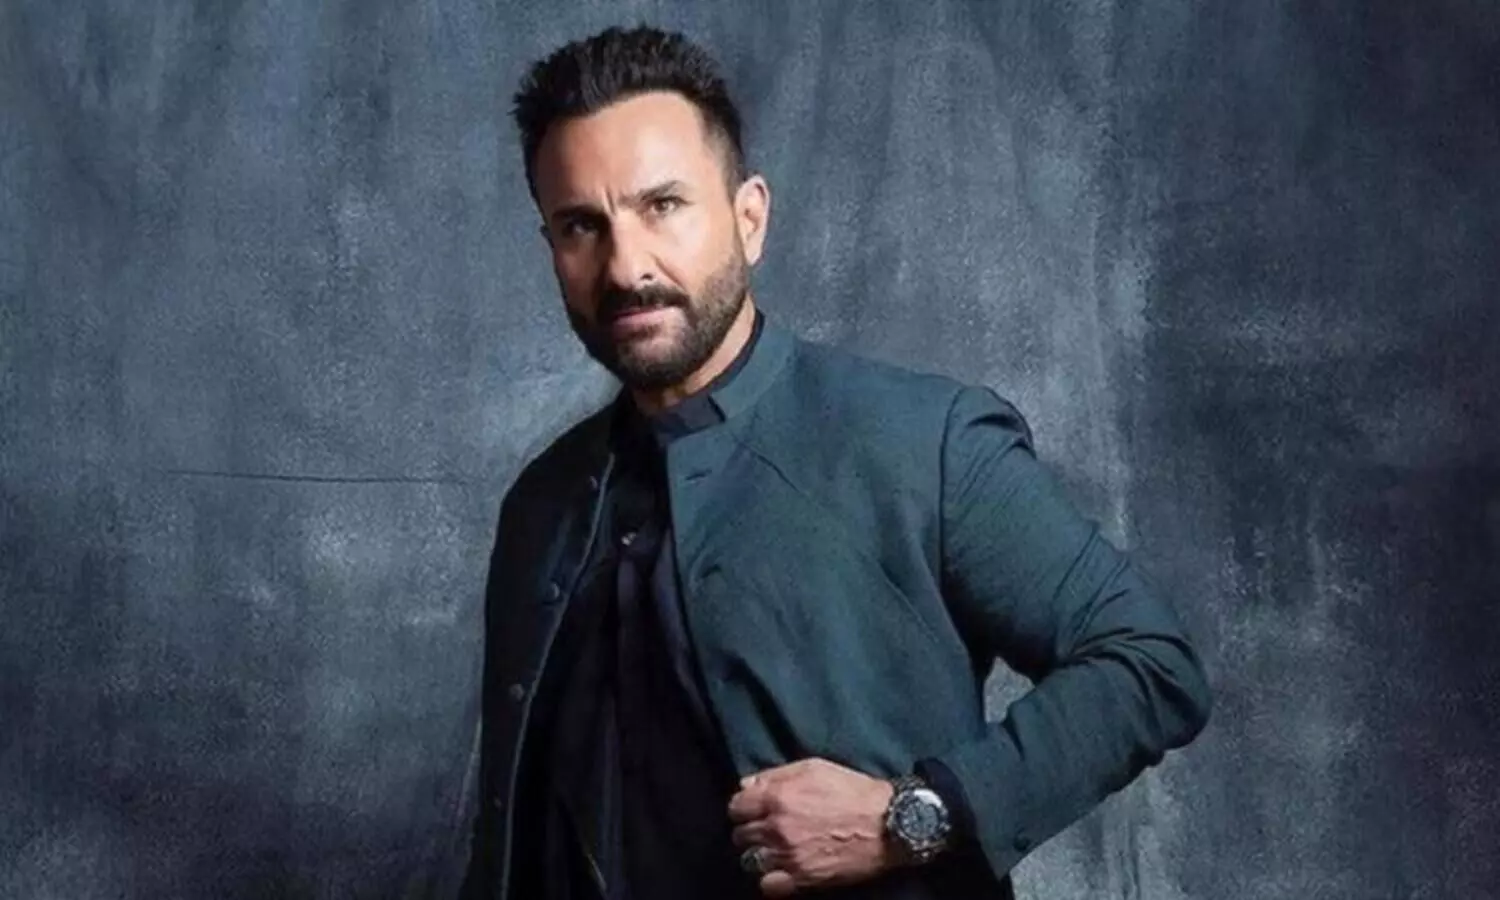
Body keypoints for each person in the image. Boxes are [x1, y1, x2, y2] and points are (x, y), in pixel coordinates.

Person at [459, 24, 1211, 900]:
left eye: (663, 205)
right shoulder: (541, 505)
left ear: (749, 218)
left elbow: (1150, 663)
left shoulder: (922, 440)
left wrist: (914, 815)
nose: (626, 267)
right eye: (582, 226)